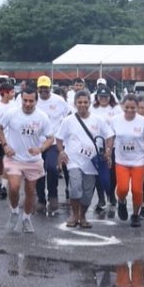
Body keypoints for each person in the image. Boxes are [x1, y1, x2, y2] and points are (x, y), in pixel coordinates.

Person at [0, 85, 52, 234]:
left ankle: (26, 218)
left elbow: (50, 138)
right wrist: (5, 145)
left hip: (33, 160)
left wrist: (40, 149)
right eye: (25, 100)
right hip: (14, 157)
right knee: (14, 187)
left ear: (36, 101)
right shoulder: (11, 113)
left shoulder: (42, 117)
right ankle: (14, 211)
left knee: (30, 191)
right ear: (20, 99)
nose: (28, 104)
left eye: (31, 101)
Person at [55, 91, 110, 228]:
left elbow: (110, 135)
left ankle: (83, 215)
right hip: (73, 161)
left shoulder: (98, 120)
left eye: (85, 102)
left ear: (90, 103)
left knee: (87, 193)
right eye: (80, 102)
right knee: (75, 188)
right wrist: (61, 152)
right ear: (75, 104)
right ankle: (74, 214)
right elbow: (59, 138)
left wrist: (108, 151)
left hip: (91, 163)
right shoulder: (68, 120)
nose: (82, 105)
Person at [109, 95, 144, 227]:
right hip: (121, 160)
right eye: (127, 107)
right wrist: (108, 152)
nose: (129, 110)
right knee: (122, 188)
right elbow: (110, 137)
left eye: (133, 108)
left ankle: (135, 214)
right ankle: (121, 202)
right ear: (122, 106)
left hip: (139, 161)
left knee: (137, 190)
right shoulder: (115, 120)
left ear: (137, 107)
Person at [32, 76, 70, 217]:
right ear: (37, 88)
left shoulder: (59, 100)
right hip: (37, 142)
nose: (44, 90)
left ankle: (53, 195)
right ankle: (41, 199)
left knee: (52, 168)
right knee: (38, 170)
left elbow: (68, 115)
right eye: (41, 88)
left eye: (46, 88)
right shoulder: (34, 100)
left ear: (50, 87)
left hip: (53, 141)